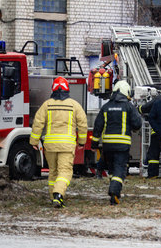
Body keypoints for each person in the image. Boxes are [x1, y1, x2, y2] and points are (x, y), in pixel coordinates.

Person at [30, 76, 87, 208]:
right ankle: (58, 194)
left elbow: (38, 123)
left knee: (53, 171)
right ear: (67, 89)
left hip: (50, 145)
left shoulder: (47, 104)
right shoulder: (74, 105)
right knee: (65, 171)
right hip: (67, 145)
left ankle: (53, 197)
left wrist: (34, 141)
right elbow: (83, 124)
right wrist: (82, 142)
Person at [91, 80, 142, 205]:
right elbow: (137, 124)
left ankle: (113, 186)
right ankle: (114, 191)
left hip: (108, 145)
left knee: (112, 169)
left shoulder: (106, 106)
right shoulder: (129, 106)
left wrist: (94, 144)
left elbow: (98, 126)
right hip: (122, 145)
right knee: (120, 169)